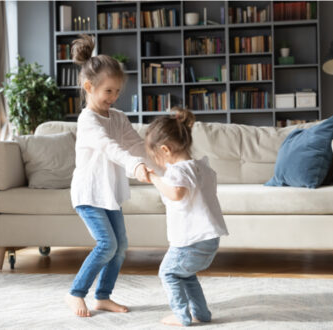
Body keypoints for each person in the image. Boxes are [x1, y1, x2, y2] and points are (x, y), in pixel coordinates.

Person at [65, 34, 151, 318]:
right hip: (89, 193)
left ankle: (102, 296)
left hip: (109, 192)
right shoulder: (88, 120)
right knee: (107, 244)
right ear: (89, 87)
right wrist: (133, 165)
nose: (113, 98)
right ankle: (76, 292)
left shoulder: (118, 117)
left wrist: (156, 159)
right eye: (108, 92)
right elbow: (110, 148)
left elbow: (135, 142)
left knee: (121, 245)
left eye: (117, 92)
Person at [144, 108, 229, 326]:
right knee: (186, 274)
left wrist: (154, 178)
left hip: (190, 241)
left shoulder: (176, 171)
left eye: (156, 158)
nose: (158, 163)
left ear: (165, 149)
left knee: (168, 273)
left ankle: (182, 316)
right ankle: (201, 313)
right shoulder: (202, 167)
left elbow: (176, 193)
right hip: (209, 238)